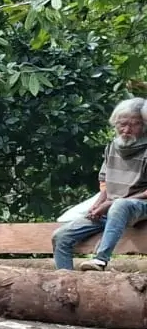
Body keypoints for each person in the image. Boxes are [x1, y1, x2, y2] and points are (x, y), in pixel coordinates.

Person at [52, 98, 147, 271]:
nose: (127, 130)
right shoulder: (113, 147)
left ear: (144, 126)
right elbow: (105, 181)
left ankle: (101, 260)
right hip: (112, 208)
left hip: (138, 206)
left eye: (135, 125)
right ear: (115, 124)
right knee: (61, 236)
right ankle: (65, 279)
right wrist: (98, 204)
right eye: (122, 124)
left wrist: (110, 203)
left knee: (120, 205)